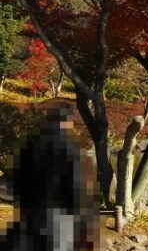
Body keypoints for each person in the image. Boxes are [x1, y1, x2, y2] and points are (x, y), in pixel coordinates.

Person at [1, 103, 97, 251]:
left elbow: (10, 183)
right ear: (68, 122)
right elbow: (78, 191)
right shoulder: (72, 150)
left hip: (30, 217)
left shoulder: (27, 145)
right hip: (61, 222)